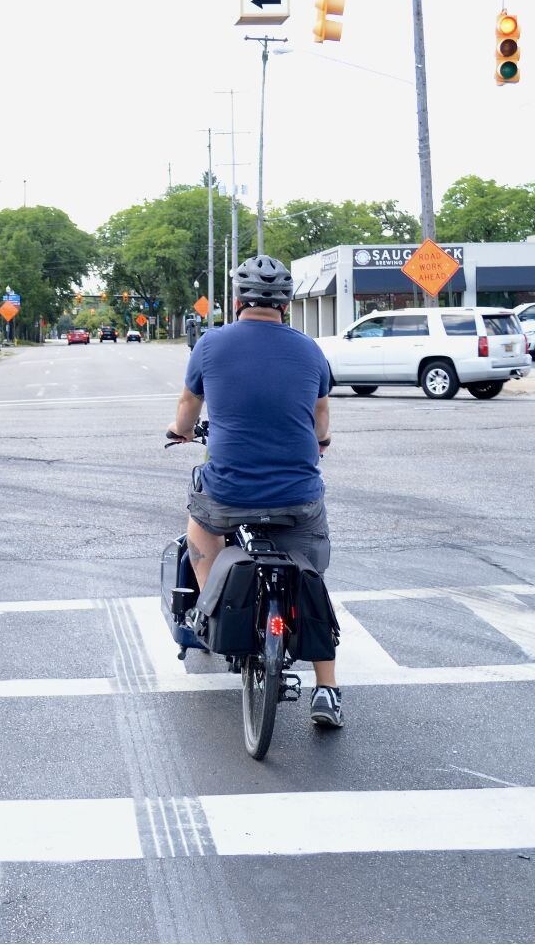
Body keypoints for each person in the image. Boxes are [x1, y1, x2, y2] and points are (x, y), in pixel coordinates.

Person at [166, 254, 342, 727]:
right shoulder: (309, 350)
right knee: (311, 579)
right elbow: (321, 416)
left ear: (238, 301)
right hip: (297, 495)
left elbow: (188, 403)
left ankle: (209, 611)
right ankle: (327, 690)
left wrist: (181, 431)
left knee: (201, 527)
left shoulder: (210, 344)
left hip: (229, 494)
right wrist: (320, 442)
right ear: (286, 304)